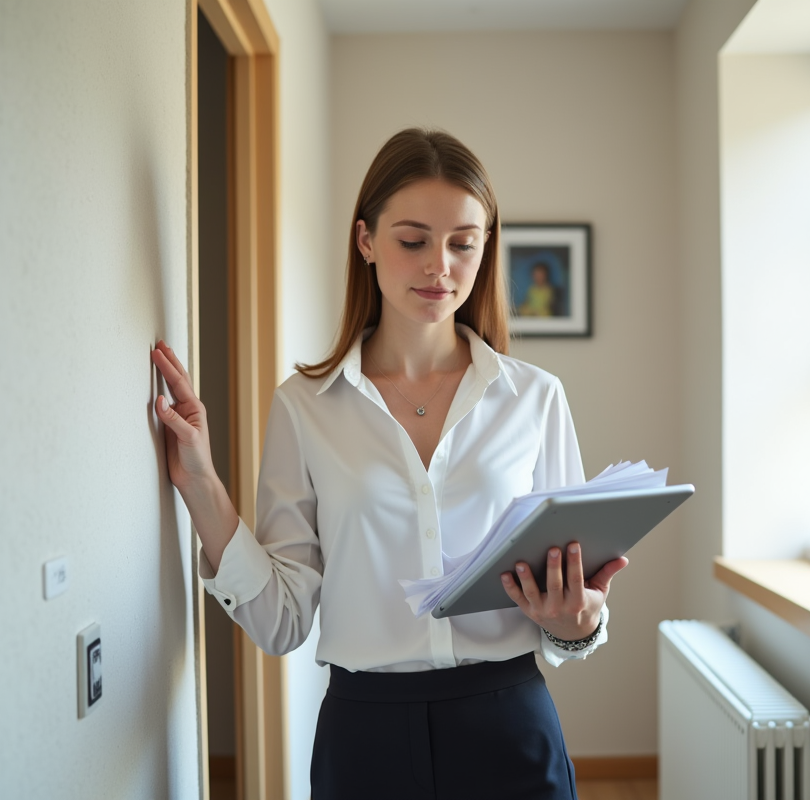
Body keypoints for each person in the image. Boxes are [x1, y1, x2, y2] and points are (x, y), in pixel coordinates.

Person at [150, 128, 628, 800]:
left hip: (510, 728)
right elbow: (283, 620)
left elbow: (569, 595)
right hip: (363, 738)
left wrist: (577, 624)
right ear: (366, 240)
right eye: (413, 240)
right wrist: (200, 482)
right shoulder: (304, 406)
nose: (440, 266)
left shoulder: (536, 399)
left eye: (463, 243)